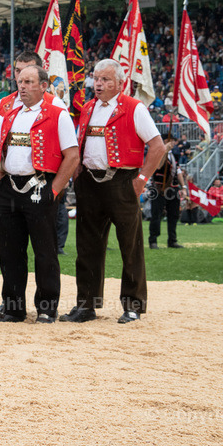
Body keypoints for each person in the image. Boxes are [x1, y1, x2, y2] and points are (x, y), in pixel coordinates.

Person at [63, 59, 164, 324]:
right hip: (90, 183)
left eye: (106, 80)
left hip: (122, 182)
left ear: (120, 83)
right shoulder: (87, 108)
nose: (99, 84)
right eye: (96, 79)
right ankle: (87, 305)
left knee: (130, 246)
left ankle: (133, 305)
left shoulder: (134, 108)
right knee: (87, 247)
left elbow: (157, 147)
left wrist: (141, 179)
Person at [0, 64, 79, 323]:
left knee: (45, 251)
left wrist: (54, 191)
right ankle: (13, 308)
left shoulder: (58, 114)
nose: (22, 86)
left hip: (40, 188)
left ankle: (46, 308)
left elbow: (72, 155)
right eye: (20, 81)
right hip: (9, 188)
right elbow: (1, 154)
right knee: (9, 251)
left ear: (44, 86)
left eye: (29, 82)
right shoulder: (10, 115)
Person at [0, 51, 68, 115]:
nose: (21, 76)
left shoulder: (56, 104)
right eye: (18, 71)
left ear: (40, 73)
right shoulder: (2, 105)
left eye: (27, 71)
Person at [148, 131, 185, 249]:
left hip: (173, 189)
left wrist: (183, 187)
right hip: (158, 189)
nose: (174, 142)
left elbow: (178, 171)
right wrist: (164, 150)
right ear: (165, 141)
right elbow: (159, 166)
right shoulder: (157, 153)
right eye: (172, 140)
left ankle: (172, 240)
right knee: (156, 215)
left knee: (174, 215)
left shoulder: (174, 155)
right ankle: (153, 240)